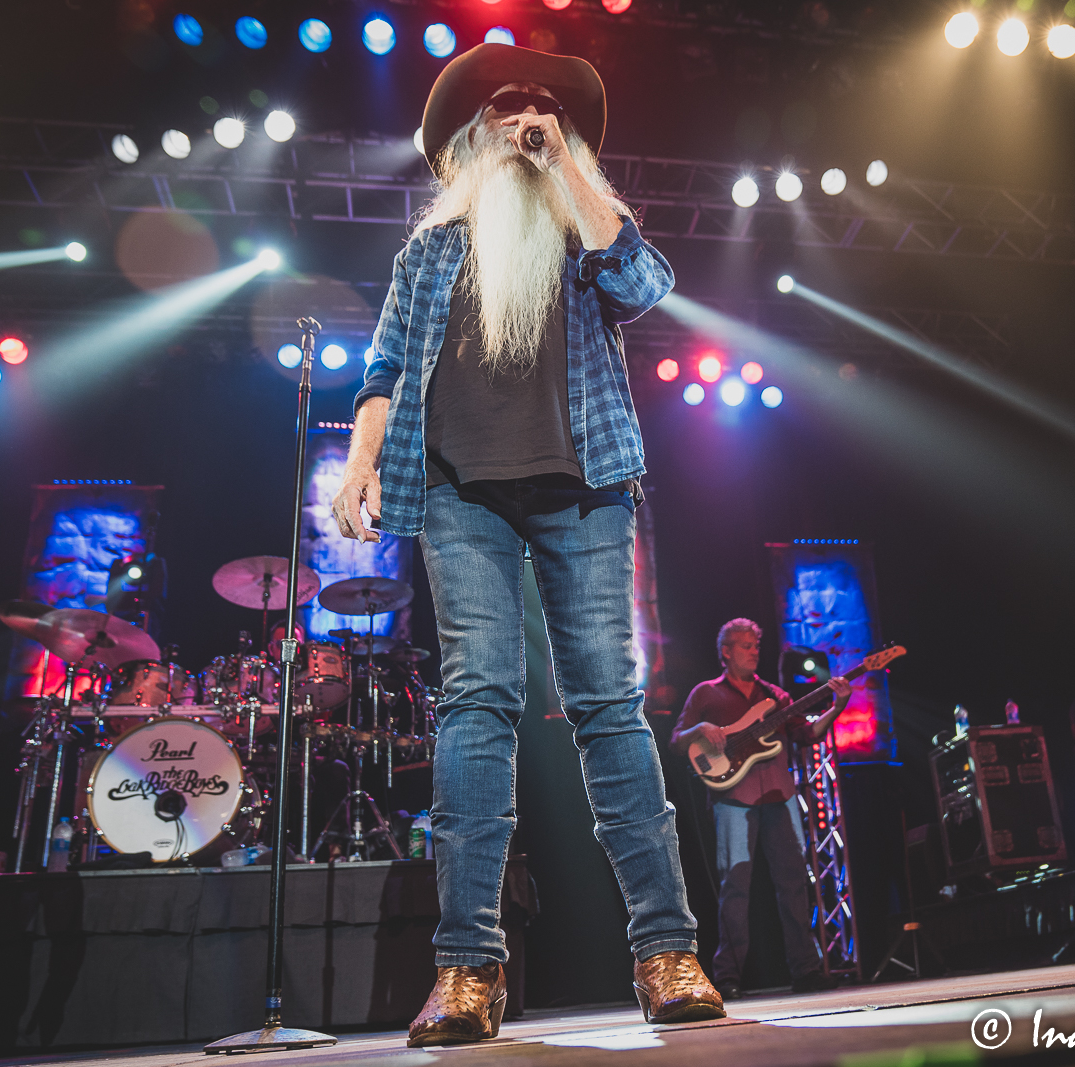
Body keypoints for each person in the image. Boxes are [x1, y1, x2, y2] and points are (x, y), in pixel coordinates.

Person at [333, 43, 722, 1045]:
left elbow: (644, 282)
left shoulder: (586, 229)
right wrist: (361, 463)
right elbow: (381, 369)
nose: (523, 119)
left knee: (606, 704)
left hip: (583, 491)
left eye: (542, 109)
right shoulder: (427, 253)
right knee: (475, 707)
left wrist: (567, 171)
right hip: (460, 494)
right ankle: (466, 969)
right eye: (504, 110)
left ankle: (666, 951)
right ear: (468, 136)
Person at [671, 619, 850, 997]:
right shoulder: (706, 693)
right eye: (746, 645)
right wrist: (701, 729)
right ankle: (729, 977)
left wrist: (837, 707)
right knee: (735, 887)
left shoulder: (777, 697)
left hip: (780, 797)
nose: (755, 651)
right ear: (726, 652)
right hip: (732, 800)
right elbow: (677, 740)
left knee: (794, 884)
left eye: (756, 644)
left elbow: (808, 734)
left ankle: (806, 970)